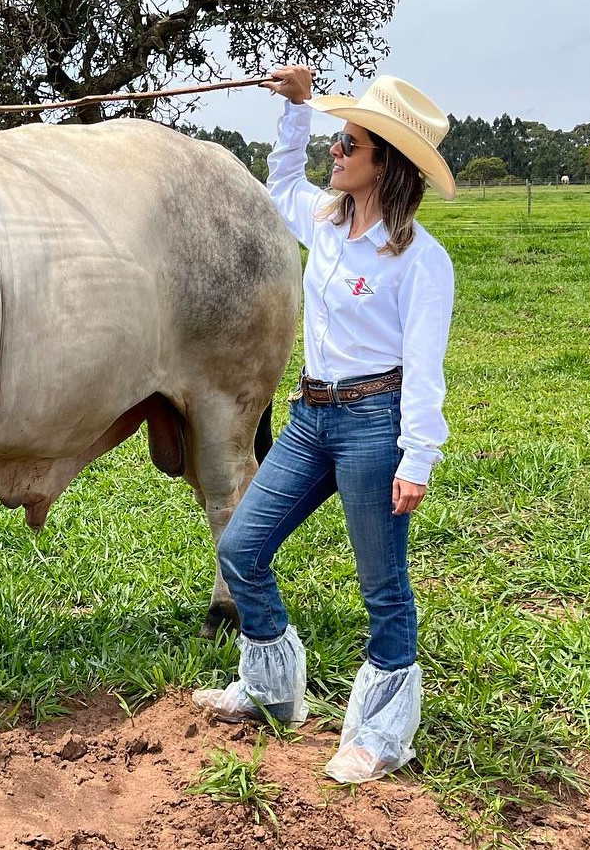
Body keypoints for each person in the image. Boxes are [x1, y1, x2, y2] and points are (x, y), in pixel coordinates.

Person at [191, 66, 457, 784]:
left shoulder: (419, 261)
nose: (333, 153)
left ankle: (377, 735)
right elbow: (280, 181)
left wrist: (417, 456)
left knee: (383, 588)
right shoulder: (325, 221)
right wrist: (298, 108)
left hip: (375, 421)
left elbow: (424, 367)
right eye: (336, 141)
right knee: (242, 548)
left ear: (385, 166)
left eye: (348, 144)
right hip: (311, 416)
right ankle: (272, 690)